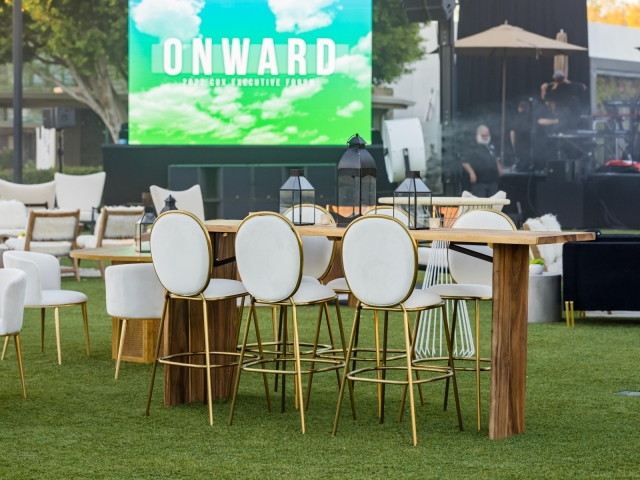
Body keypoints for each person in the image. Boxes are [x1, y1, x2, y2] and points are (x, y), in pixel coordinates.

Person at [462, 125, 503, 197]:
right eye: (483, 136)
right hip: (479, 181)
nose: (485, 138)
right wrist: (471, 173)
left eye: (487, 135)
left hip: (493, 180)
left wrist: (499, 168)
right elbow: (465, 162)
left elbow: (495, 158)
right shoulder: (472, 146)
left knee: (493, 204)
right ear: (478, 135)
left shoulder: (491, 145)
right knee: (480, 204)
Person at [510, 101, 533, 171]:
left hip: (518, 142)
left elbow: (512, 132)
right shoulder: (530, 117)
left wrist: (513, 145)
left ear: (519, 108)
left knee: (519, 161)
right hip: (528, 143)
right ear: (527, 109)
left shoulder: (515, 118)